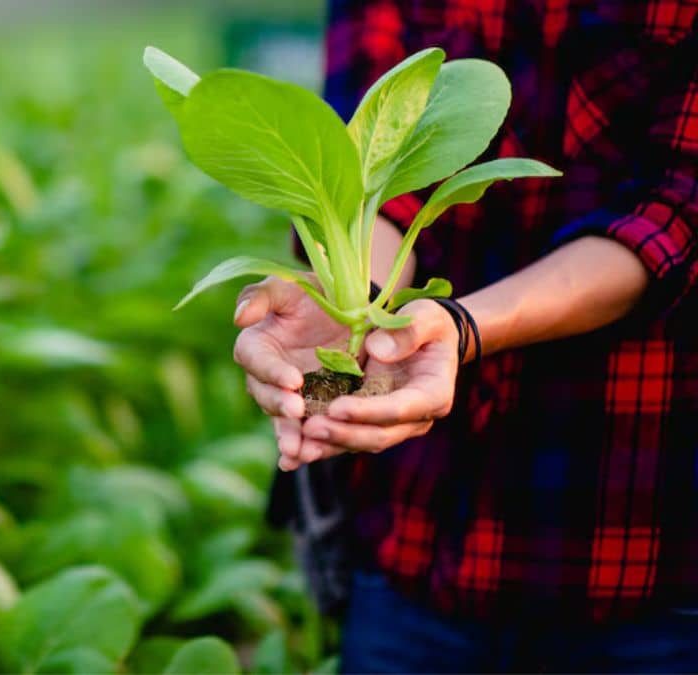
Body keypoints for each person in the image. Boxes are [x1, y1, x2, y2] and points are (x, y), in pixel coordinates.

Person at [233, 1, 698, 671]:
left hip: (638, 557)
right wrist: (353, 302)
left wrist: (465, 326)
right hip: (413, 544)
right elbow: (365, 175)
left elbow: (674, 212)